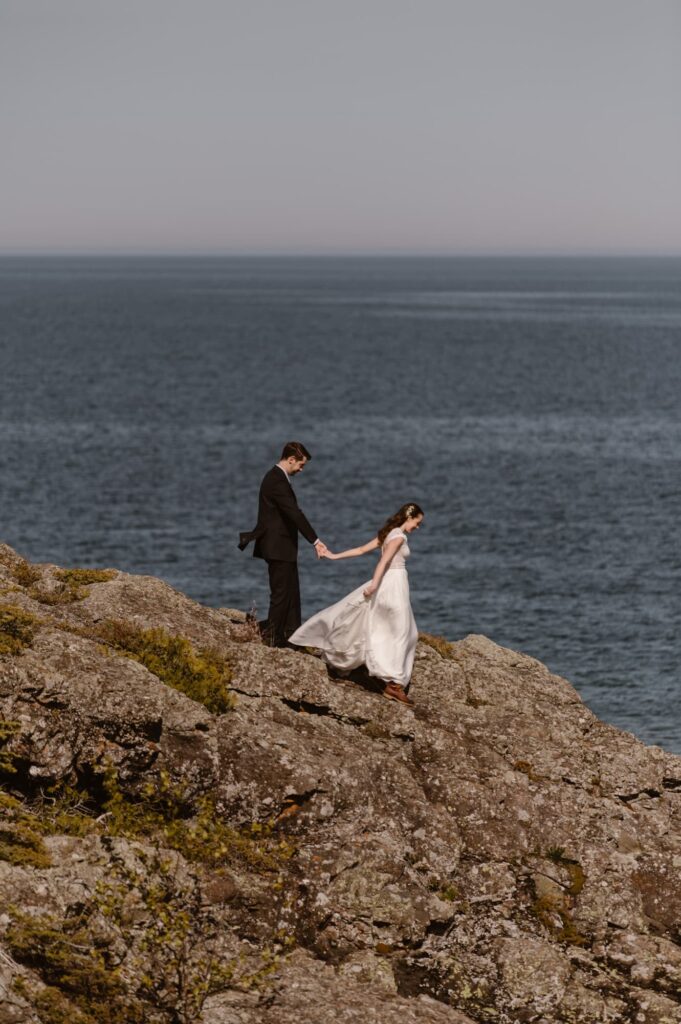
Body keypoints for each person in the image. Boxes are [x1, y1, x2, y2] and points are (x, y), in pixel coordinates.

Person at [289, 503, 424, 706]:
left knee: (391, 628)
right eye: (417, 522)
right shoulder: (398, 537)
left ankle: (388, 677)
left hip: (390, 583)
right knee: (404, 632)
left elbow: (361, 550)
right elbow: (384, 562)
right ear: (409, 516)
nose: (417, 527)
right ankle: (393, 683)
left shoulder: (388, 533)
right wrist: (375, 584)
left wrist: (334, 555)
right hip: (393, 584)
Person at [239, 442, 328, 647]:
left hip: (283, 547)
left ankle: (290, 634)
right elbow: (294, 513)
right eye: (301, 465)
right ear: (290, 459)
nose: (301, 469)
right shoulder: (276, 481)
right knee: (281, 594)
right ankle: (273, 638)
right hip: (277, 547)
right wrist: (315, 540)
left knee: (291, 592)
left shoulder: (279, 478)